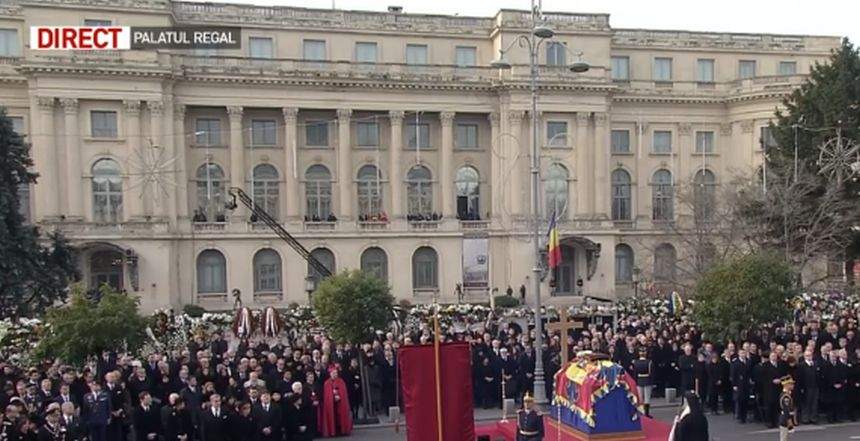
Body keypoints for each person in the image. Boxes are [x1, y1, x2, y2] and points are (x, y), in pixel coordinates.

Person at [320, 366, 352, 437]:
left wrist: (339, 396)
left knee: (341, 416)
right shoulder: (327, 383)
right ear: (330, 374)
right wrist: (332, 397)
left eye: (336, 373)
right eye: (333, 373)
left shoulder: (341, 381)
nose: (335, 374)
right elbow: (327, 395)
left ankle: (343, 430)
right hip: (331, 404)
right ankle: (332, 431)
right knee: (332, 416)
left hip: (340, 403)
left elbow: (343, 392)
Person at [631, 348, 653, 417]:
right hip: (647, 380)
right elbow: (652, 373)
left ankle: (641, 413)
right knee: (647, 398)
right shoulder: (649, 362)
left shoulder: (636, 362)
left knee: (640, 399)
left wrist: (635, 381)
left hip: (639, 381)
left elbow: (635, 374)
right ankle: (646, 414)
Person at [778, 376, 797, 441]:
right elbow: (786, 411)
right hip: (785, 421)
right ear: (786, 385)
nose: (793, 385)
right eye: (791, 384)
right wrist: (790, 425)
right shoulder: (785, 397)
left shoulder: (787, 395)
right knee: (784, 439)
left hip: (786, 420)